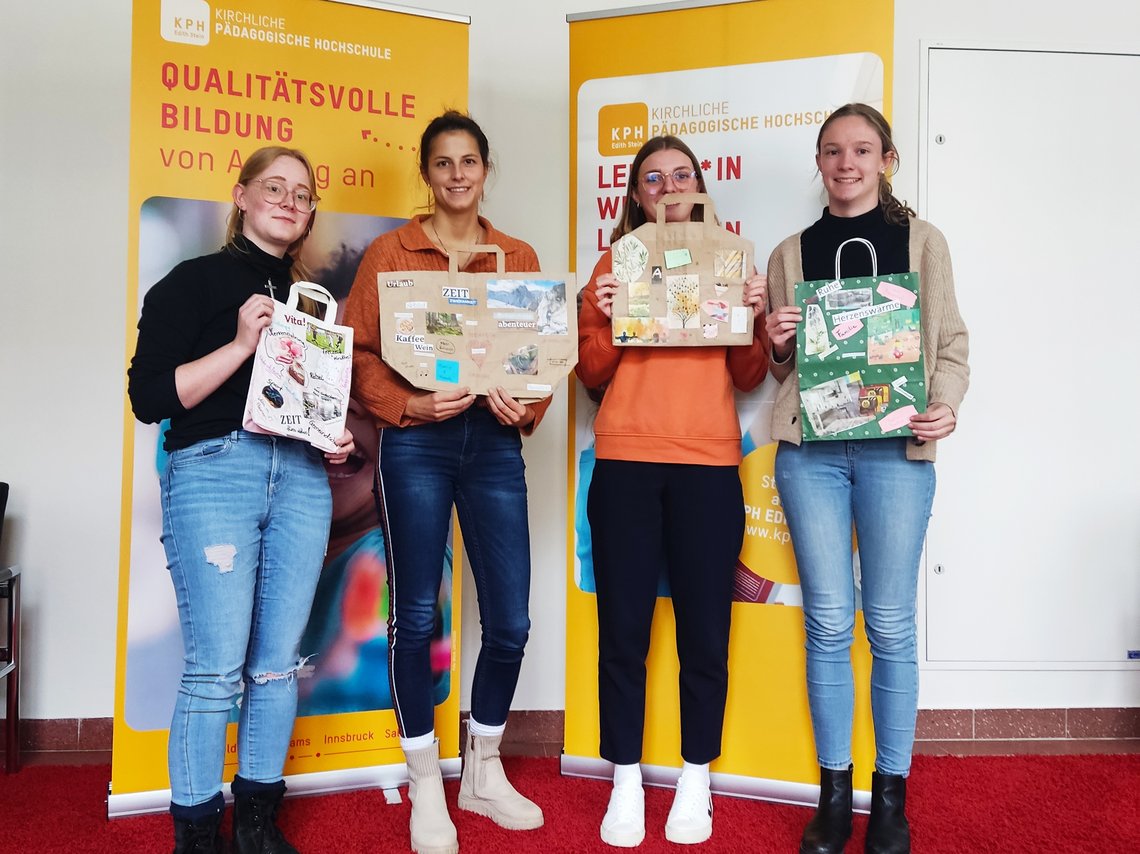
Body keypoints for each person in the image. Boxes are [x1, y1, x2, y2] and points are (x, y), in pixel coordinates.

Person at [128, 145, 355, 854]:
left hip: (303, 478)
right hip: (215, 471)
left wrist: (333, 436)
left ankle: (257, 823)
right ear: (242, 196)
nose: (289, 201)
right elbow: (150, 398)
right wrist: (238, 344)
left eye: (302, 193)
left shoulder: (316, 306)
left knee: (277, 665)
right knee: (215, 668)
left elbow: (306, 403)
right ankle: (198, 835)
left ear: (310, 213)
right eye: (274, 187)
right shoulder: (191, 282)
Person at [765, 104, 969, 854]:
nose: (845, 163)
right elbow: (783, 371)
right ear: (818, 162)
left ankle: (890, 799)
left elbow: (951, 343)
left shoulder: (922, 242)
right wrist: (774, 341)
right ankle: (833, 797)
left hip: (895, 452)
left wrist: (945, 405)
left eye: (860, 150)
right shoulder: (789, 252)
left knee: (888, 624)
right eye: (831, 151)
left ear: (887, 159)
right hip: (811, 455)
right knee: (826, 622)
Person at [343, 110, 548, 854]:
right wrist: (410, 406)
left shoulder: (516, 256)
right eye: (443, 163)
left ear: (486, 170)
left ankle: (483, 769)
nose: (457, 175)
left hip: (493, 445)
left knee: (511, 620)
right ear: (426, 173)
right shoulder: (390, 253)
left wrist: (525, 405)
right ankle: (426, 779)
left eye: (469, 162)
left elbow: (539, 356)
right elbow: (359, 352)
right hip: (417, 445)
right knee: (416, 616)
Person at [576, 135, 770, 848]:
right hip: (626, 460)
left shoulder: (733, 260)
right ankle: (625, 779)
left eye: (681, 175)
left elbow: (750, 375)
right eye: (653, 178)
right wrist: (609, 314)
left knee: (705, 632)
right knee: (623, 632)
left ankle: (696, 777)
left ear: (700, 186)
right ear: (635, 194)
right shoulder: (613, 263)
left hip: (709, 464)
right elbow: (589, 372)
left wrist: (752, 314)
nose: (668, 187)